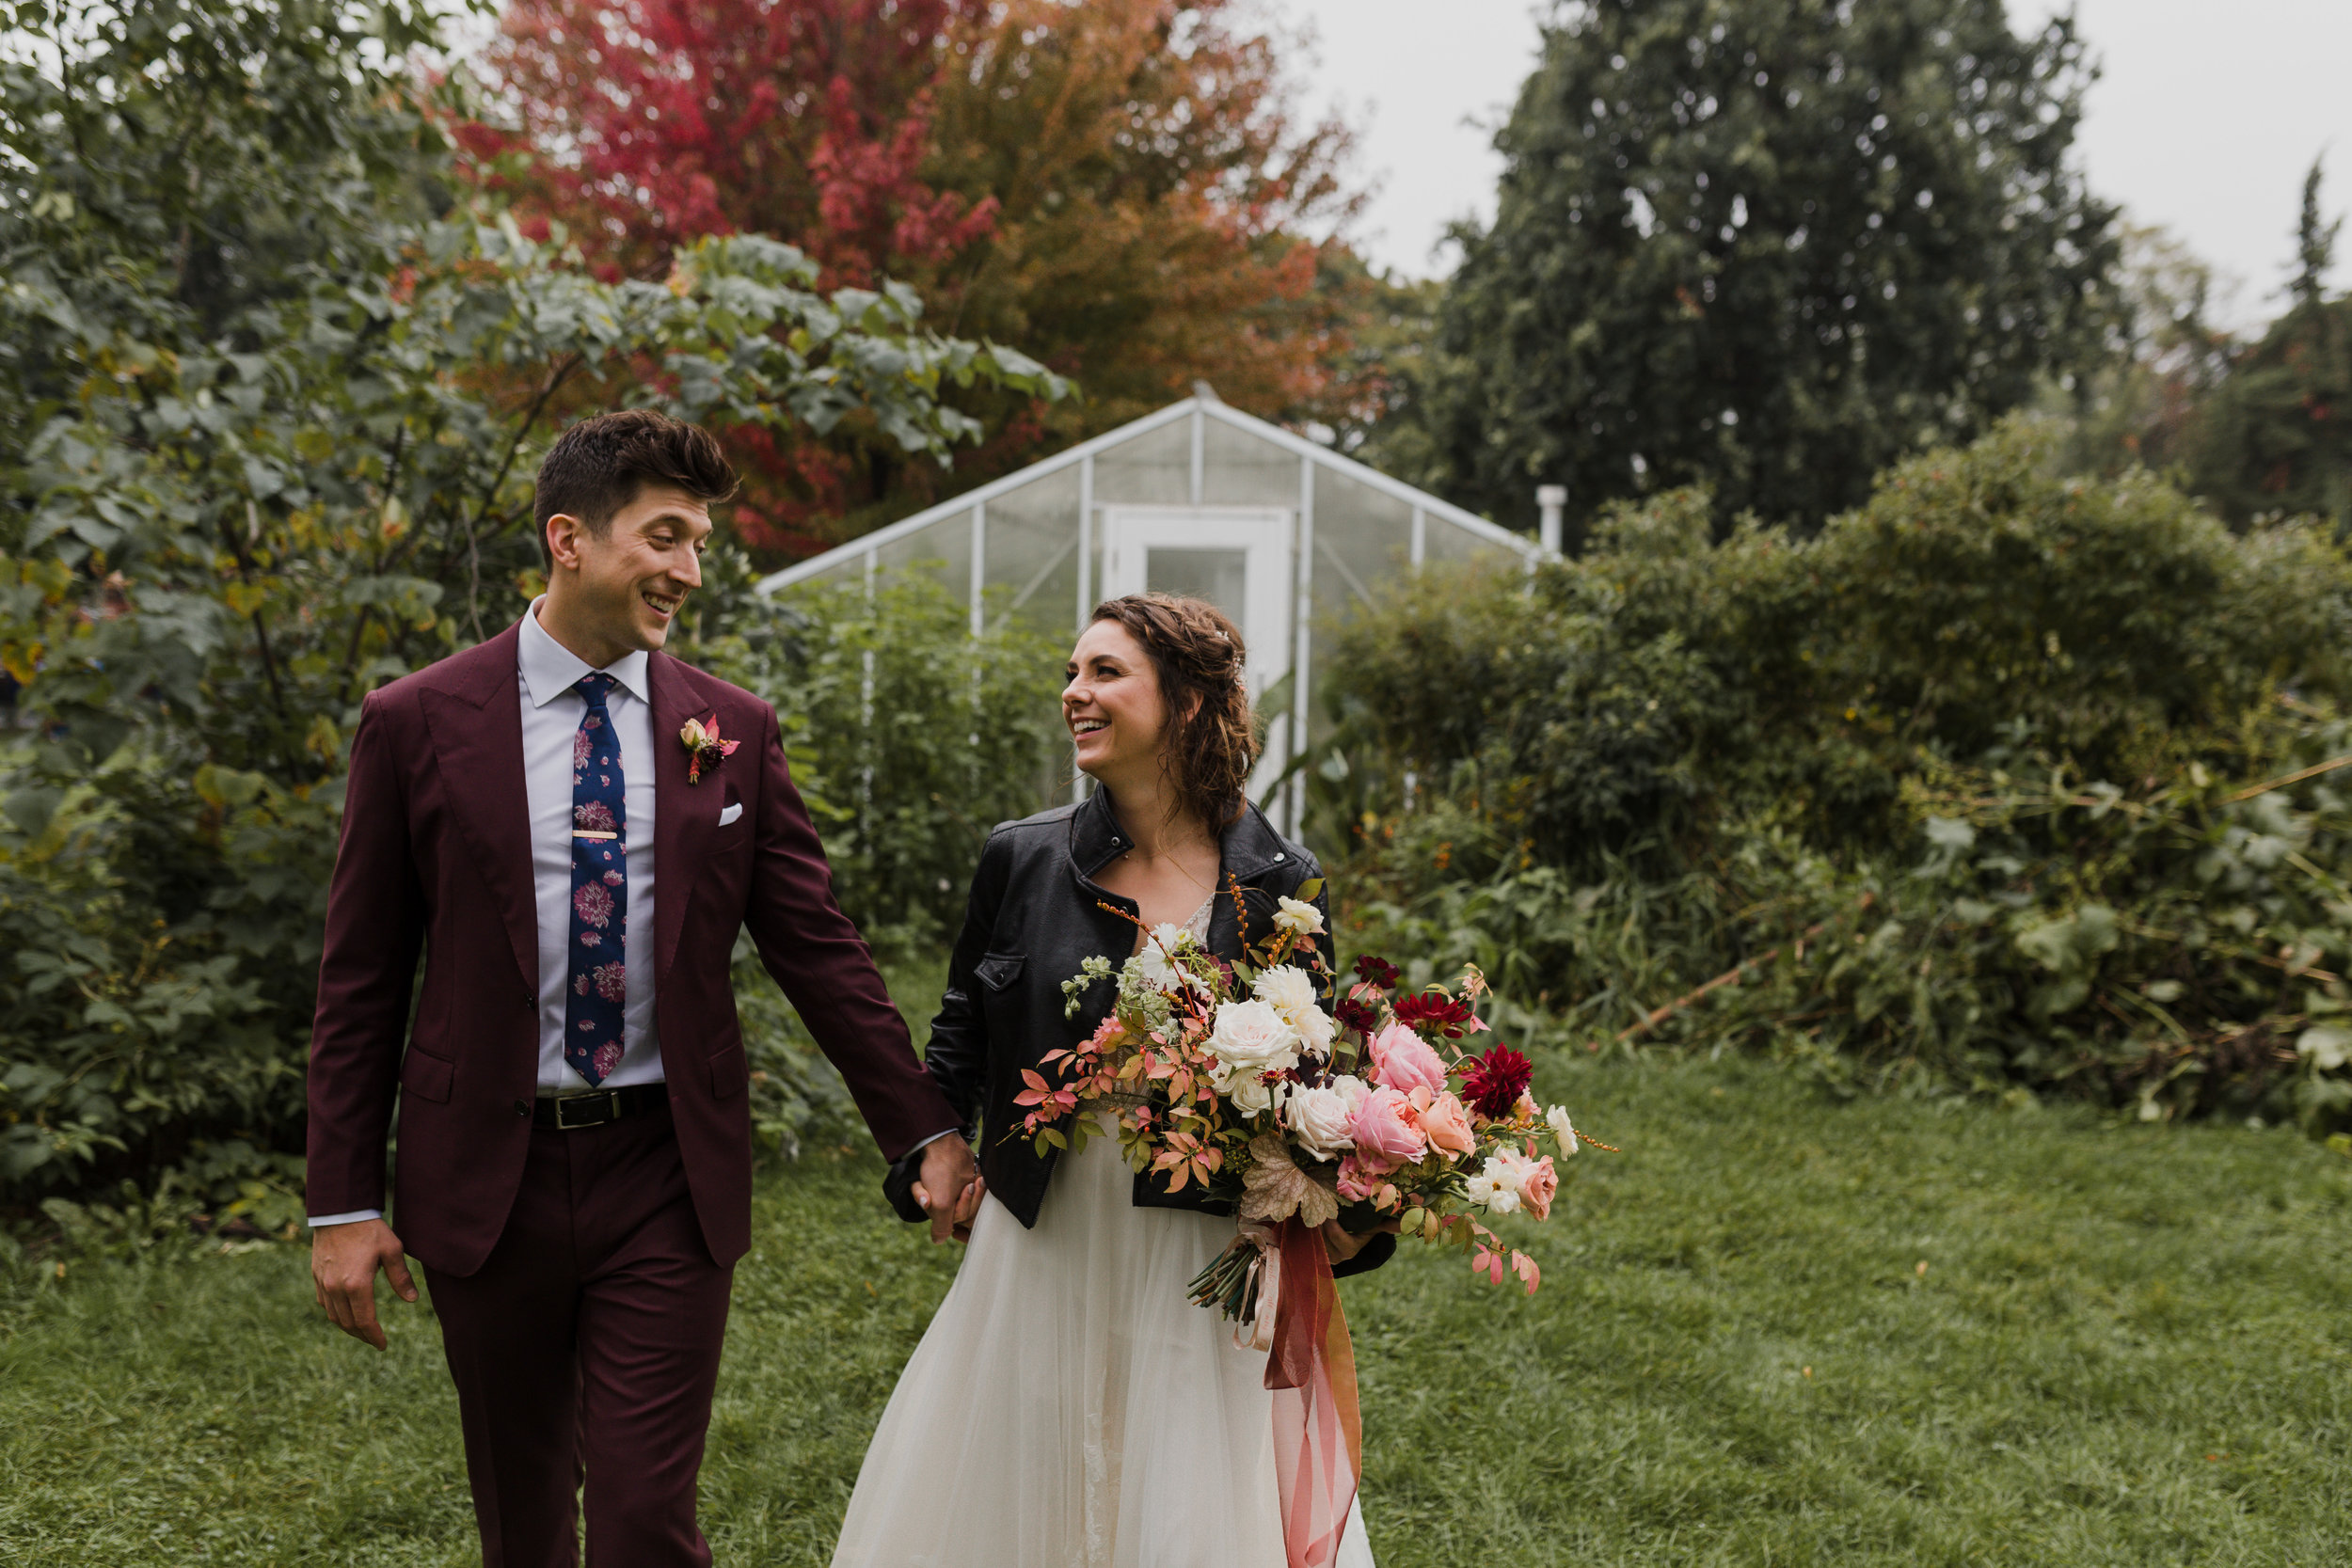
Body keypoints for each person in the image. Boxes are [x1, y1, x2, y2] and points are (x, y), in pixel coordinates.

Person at [302, 409, 983, 1568]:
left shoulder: (733, 731)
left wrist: (919, 1126)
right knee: (523, 1520)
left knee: (641, 1521)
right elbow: (360, 978)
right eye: (664, 535)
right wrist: (341, 1201)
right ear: (568, 538)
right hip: (485, 1175)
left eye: (701, 542)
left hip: (666, 1168)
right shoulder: (416, 722)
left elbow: (817, 945)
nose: (687, 569)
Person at [834, 593, 1389, 1568]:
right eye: (1071, 672)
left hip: (1196, 1234)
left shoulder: (1280, 881)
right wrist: (932, 1147)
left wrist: (1356, 1207)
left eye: (1103, 672)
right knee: (1022, 1464)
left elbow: (1311, 1086)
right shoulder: (1022, 856)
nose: (1073, 693)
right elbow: (963, 1027)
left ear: (1182, 702)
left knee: (1183, 1485)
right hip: (1044, 1224)